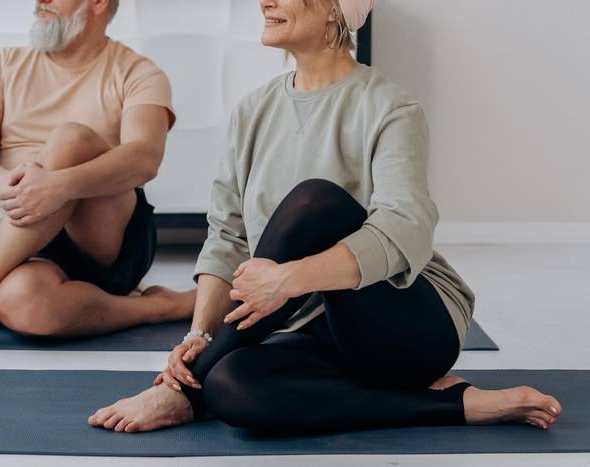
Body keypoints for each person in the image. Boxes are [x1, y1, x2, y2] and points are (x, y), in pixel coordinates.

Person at [88, 0, 563, 435]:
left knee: (314, 203)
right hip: (315, 330)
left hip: (407, 323)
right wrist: (200, 336)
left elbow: (406, 226)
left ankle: (181, 392)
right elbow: (227, 236)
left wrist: (290, 279)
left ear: (336, 9)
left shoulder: (390, 107)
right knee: (232, 386)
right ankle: (459, 405)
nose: (265, 1)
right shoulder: (252, 112)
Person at [0, 0, 196, 360]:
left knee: (71, 139)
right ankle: (161, 307)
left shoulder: (139, 72)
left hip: (107, 239)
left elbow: (145, 158)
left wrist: (59, 186)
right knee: (21, 305)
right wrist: (9, 187)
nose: (40, 1)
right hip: (24, 239)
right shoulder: (4, 64)